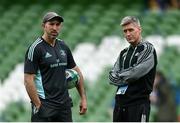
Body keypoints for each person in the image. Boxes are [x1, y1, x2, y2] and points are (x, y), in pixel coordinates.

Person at [24, 12, 87, 122]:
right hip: (45, 106)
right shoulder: (35, 48)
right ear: (43, 26)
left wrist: (83, 98)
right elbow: (28, 81)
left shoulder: (63, 46)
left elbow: (76, 71)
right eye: (51, 24)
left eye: (58, 24)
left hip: (64, 106)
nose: (55, 27)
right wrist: (39, 105)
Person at [109, 16, 157, 122]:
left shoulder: (147, 49)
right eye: (125, 31)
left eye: (131, 30)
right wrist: (126, 76)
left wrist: (120, 76)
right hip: (120, 104)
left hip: (138, 104)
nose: (128, 34)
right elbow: (111, 76)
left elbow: (135, 73)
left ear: (139, 29)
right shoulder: (123, 52)